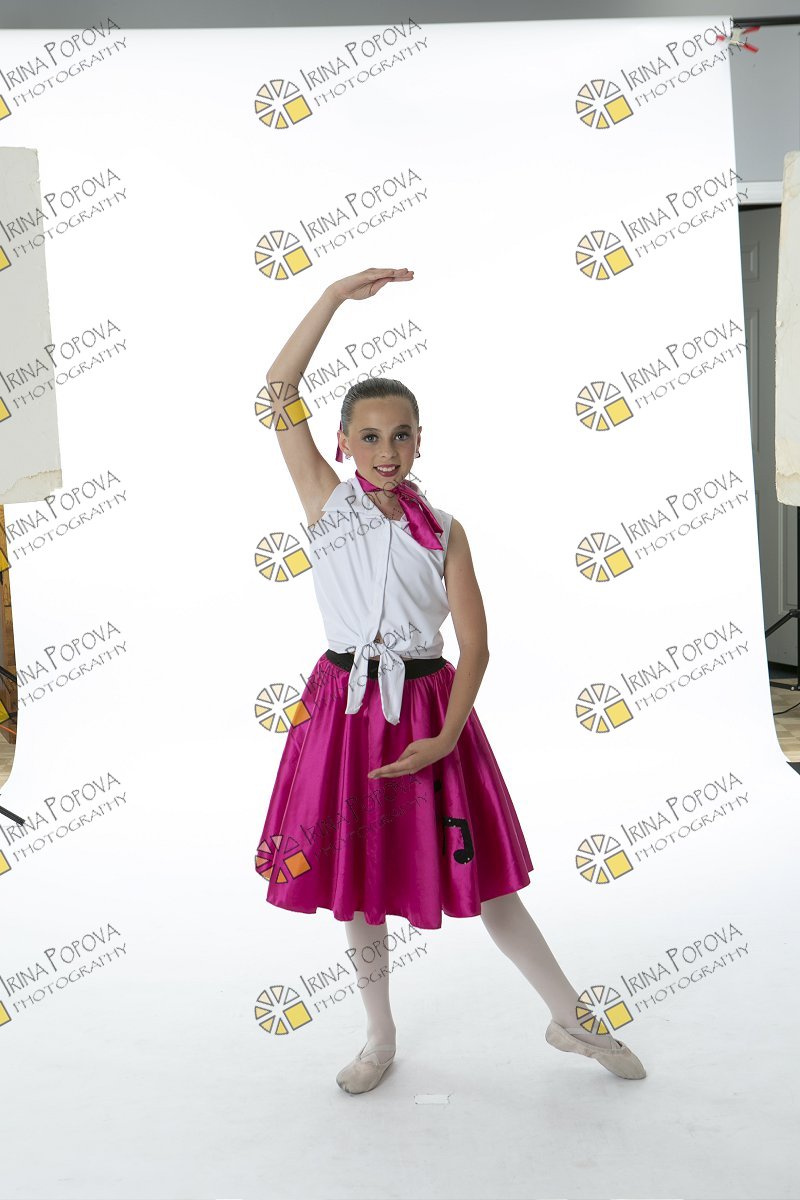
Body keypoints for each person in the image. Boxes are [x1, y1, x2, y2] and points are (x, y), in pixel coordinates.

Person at [254, 266, 646, 1093]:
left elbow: (477, 645)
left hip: (433, 710)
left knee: (489, 881)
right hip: (347, 708)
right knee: (358, 886)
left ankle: (570, 1016)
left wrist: (442, 738)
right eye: (369, 437)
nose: (386, 452)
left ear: (420, 441)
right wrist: (331, 299)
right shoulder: (328, 505)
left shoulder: (446, 531)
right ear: (341, 443)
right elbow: (277, 391)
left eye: (401, 436)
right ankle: (379, 1037)